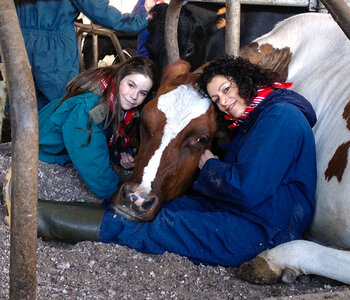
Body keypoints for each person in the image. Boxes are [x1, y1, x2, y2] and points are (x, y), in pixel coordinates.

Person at [5, 55, 317, 267]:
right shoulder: (256, 116)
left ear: (245, 80)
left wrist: (208, 165)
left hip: (265, 229)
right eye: (218, 97)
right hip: (241, 210)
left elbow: (248, 188)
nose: (224, 101)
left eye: (226, 89)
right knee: (169, 208)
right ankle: (36, 206)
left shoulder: (281, 118)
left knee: (158, 227)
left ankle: (34, 215)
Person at [38, 56, 157, 201]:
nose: (134, 96)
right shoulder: (89, 109)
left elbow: (102, 138)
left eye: (142, 93)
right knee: (92, 196)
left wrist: (119, 154)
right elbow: (91, 159)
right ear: (119, 78)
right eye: (131, 85)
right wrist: (116, 196)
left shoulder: (115, 101)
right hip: (43, 152)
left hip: (67, 150)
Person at [11, 0, 157, 111]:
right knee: (60, 105)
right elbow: (100, 11)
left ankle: (25, 148)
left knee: (21, 104)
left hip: (16, 41)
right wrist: (142, 16)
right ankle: (53, 147)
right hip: (55, 48)